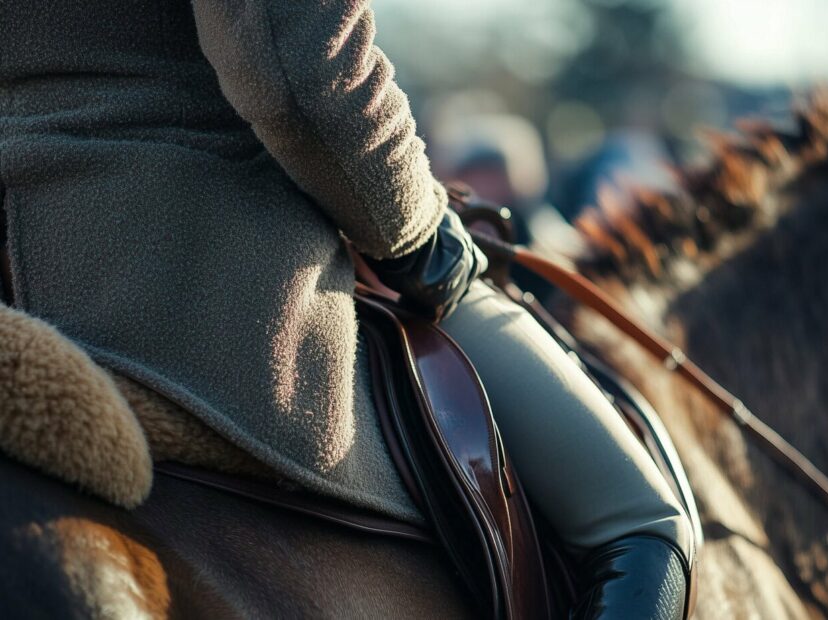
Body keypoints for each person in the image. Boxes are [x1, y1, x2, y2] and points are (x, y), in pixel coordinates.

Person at [0, 1, 693, 617]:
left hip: (22, 273)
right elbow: (297, 71)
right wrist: (421, 236)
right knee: (643, 521)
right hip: (206, 282)